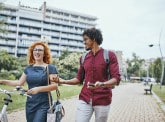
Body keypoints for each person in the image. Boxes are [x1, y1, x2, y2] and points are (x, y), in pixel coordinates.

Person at [52, 28, 121, 122]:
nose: (84, 42)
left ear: (94, 39)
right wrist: (62, 80)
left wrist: (101, 84)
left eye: (86, 39)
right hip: (85, 98)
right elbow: (78, 79)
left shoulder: (109, 55)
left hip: (103, 99)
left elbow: (116, 79)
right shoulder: (83, 58)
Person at [0, 41, 58, 122]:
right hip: (30, 104)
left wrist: (38, 89)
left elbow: (55, 86)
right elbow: (19, 83)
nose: (37, 52)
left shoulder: (50, 68)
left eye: (40, 50)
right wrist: (2, 81)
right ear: (32, 52)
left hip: (44, 104)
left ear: (44, 53)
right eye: (35, 50)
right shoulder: (28, 69)